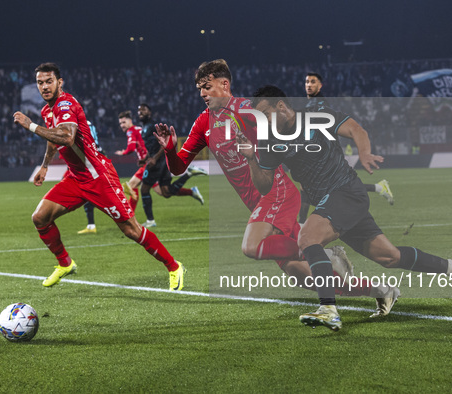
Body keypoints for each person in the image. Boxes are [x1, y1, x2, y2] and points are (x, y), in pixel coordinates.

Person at [154, 60, 392, 308]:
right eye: (199, 88)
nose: (202, 93)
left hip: (277, 192)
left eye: (207, 86)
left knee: (252, 246)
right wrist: (170, 149)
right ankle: (379, 289)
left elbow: (286, 130)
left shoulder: (249, 110)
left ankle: (323, 253)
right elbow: (178, 167)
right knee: (301, 275)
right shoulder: (203, 123)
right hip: (255, 201)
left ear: (224, 84)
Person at [243, 85, 452, 331]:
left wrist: (364, 154)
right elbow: (265, 186)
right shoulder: (269, 139)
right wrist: (252, 159)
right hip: (331, 203)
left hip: (346, 191)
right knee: (389, 256)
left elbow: (355, 129)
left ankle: (328, 308)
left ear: (280, 106)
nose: (263, 121)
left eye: (265, 114)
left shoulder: (316, 116)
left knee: (308, 238)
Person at [12, 62, 185, 291]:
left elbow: (67, 137)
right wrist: (45, 165)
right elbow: (53, 139)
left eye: (49, 81)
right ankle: (65, 263)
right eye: (40, 83)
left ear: (59, 82)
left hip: (99, 177)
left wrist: (30, 125)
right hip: (76, 178)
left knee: (131, 229)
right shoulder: (47, 110)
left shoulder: (66, 104)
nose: (44, 87)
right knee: (40, 217)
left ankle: (174, 267)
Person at [298, 72, 393, 223]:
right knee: (318, 190)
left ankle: (302, 225)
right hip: (315, 159)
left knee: (334, 191)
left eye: (313, 82)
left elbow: (356, 130)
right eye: (307, 82)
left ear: (320, 85)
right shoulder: (308, 107)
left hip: (326, 159)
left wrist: (364, 153)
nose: (309, 84)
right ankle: (379, 188)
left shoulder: (321, 108)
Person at [138, 103, 206, 228]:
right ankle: (189, 174)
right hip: (160, 161)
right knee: (166, 192)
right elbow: (151, 147)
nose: (141, 112)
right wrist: (146, 158)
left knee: (144, 189)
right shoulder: (145, 128)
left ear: (150, 113)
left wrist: (154, 158)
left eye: (144, 110)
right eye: (139, 110)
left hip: (159, 162)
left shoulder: (153, 126)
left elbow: (162, 144)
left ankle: (150, 220)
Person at [78, 120, 101, 234]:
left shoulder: (83, 124)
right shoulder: (87, 123)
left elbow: (91, 142)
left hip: (90, 160)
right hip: (91, 159)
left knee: (89, 192)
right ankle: (91, 225)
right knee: (90, 193)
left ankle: (120, 190)